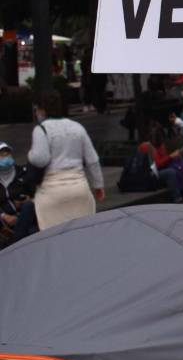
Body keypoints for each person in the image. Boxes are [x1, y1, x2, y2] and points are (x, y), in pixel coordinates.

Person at [27, 91, 105, 231]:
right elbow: (92, 159)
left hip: (51, 193)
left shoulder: (41, 130)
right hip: (79, 189)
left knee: (53, 239)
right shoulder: (77, 127)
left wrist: (30, 154)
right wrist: (98, 185)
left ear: (41, 110)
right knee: (82, 234)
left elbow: (40, 159)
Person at [0, 141, 38, 246]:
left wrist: (30, 200)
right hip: (5, 224)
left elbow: (38, 194)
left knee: (28, 207)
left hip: (26, 217)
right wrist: (3, 216)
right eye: (1, 155)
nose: (5, 157)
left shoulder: (23, 172)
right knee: (31, 234)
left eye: (7, 153)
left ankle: (15, 243)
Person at [148, 124, 183, 203]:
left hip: (163, 169)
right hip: (153, 174)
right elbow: (157, 165)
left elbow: (167, 159)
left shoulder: (163, 146)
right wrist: (171, 156)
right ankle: (178, 199)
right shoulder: (149, 148)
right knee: (171, 172)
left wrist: (176, 157)